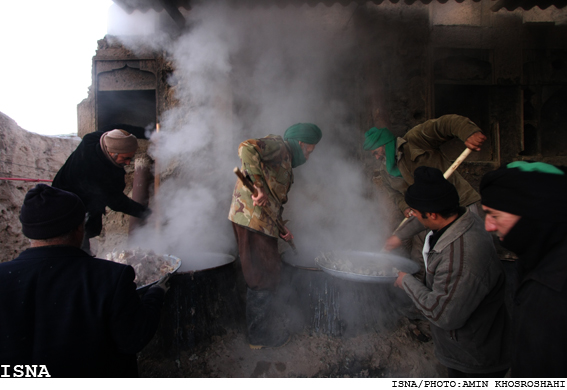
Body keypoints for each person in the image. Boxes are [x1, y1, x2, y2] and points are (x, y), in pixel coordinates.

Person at [0, 184, 169, 378]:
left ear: (27, 231)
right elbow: (134, 338)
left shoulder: (4, 277)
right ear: (80, 227)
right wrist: (156, 294)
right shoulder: (111, 277)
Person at [394, 167, 510, 378]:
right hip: (466, 344)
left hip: (473, 357)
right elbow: (422, 220)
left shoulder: (461, 258)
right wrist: (397, 236)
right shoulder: (464, 218)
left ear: (432, 214)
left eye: (415, 213)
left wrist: (406, 281)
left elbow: (443, 315)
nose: (413, 217)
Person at [228, 123, 322, 349]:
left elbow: (272, 201)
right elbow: (246, 148)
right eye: (309, 150)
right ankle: (258, 337)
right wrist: (257, 185)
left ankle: (257, 328)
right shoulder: (279, 146)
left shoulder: (286, 159)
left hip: (264, 222)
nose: (308, 156)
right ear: (300, 144)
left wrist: (282, 228)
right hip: (252, 220)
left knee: (266, 272)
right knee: (262, 276)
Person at [480, 161, 567, 377]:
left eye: (495, 215)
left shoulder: (554, 289)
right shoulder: (535, 258)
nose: (488, 226)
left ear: (530, 211)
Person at [363, 114, 486, 259]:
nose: (377, 158)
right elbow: (395, 195)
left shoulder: (415, 140)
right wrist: (406, 207)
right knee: (423, 254)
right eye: (374, 156)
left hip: (461, 205)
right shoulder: (385, 171)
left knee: (470, 253)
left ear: (384, 143)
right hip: (427, 216)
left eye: (376, 152)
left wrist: (469, 132)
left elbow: (444, 124)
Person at [52, 125, 150, 255]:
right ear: (111, 153)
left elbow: (119, 130)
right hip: (66, 206)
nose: (127, 163)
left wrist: (150, 134)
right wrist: (148, 214)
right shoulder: (92, 169)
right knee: (76, 244)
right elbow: (116, 202)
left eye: (130, 158)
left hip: (82, 198)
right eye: (125, 158)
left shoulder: (97, 138)